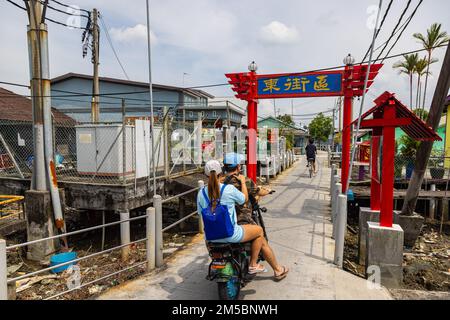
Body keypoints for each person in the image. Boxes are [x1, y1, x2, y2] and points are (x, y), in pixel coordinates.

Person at [198, 159, 289, 280]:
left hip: (210, 237)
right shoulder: (228, 189)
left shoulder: (201, 193)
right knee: (259, 231)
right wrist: (243, 182)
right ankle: (253, 264)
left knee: (209, 240)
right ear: (221, 172)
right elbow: (243, 199)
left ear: (205, 175)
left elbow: (200, 213)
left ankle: (217, 262)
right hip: (231, 233)